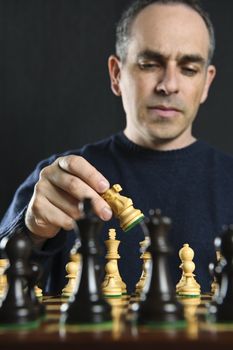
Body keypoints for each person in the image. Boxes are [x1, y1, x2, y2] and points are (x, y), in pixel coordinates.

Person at [1, 0, 233, 295]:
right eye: (149, 64)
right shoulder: (59, 179)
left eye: (188, 68)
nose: (169, 84)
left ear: (207, 82)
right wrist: (29, 231)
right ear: (116, 74)